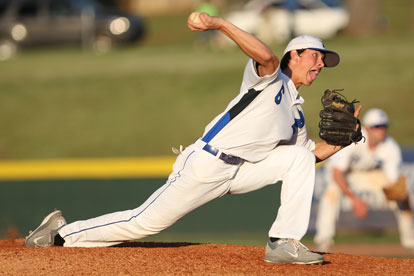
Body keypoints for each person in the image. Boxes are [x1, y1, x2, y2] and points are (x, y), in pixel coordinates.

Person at [25, 12, 361, 265]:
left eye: (324, 61)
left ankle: (282, 241)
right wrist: (219, 24)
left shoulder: (296, 112)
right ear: (295, 56)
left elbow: (308, 154)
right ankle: (58, 234)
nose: (320, 65)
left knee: (299, 157)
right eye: (315, 56)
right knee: (143, 222)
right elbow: (268, 58)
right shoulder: (269, 80)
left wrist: (343, 140)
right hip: (206, 163)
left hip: (240, 171)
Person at [314, 108, 414, 252]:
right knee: (331, 194)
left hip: (366, 175)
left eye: (384, 126)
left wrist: (397, 193)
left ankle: (410, 241)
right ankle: (323, 241)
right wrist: (354, 199)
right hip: (342, 175)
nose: (381, 130)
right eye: (377, 126)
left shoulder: (390, 146)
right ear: (367, 128)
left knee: (402, 197)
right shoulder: (354, 139)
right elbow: (337, 173)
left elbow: (391, 181)